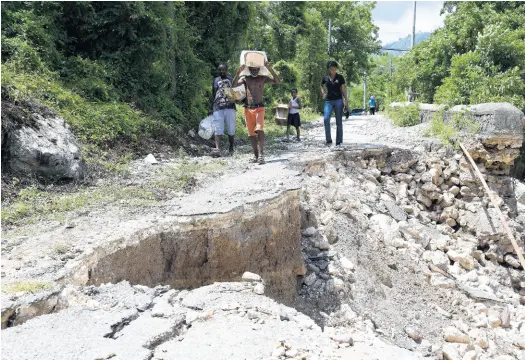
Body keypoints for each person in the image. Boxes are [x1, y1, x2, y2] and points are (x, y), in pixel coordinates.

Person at [233, 61, 281, 164]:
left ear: (259, 69)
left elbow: (277, 81)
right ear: (249, 69)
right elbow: (234, 86)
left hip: (259, 108)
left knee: (259, 129)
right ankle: (256, 156)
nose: (254, 70)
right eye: (252, 69)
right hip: (248, 109)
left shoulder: (262, 78)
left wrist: (270, 69)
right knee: (251, 134)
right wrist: (238, 72)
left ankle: (261, 155)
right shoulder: (245, 79)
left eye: (256, 68)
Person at [210, 63, 236, 156]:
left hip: (230, 107)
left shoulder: (231, 79)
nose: (222, 71)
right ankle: (218, 149)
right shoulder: (215, 80)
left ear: (227, 70)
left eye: (224, 69)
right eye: (220, 70)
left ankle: (231, 147)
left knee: (231, 129)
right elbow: (213, 94)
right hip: (218, 107)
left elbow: (235, 94)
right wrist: (211, 108)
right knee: (218, 129)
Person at [320, 61, 348, 147]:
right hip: (328, 101)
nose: (333, 71)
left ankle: (339, 142)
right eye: (332, 69)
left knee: (339, 121)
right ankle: (328, 140)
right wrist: (323, 93)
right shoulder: (325, 78)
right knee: (326, 119)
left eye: (335, 69)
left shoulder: (340, 77)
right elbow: (321, 85)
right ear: (329, 69)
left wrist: (346, 100)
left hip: (338, 100)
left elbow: (343, 89)